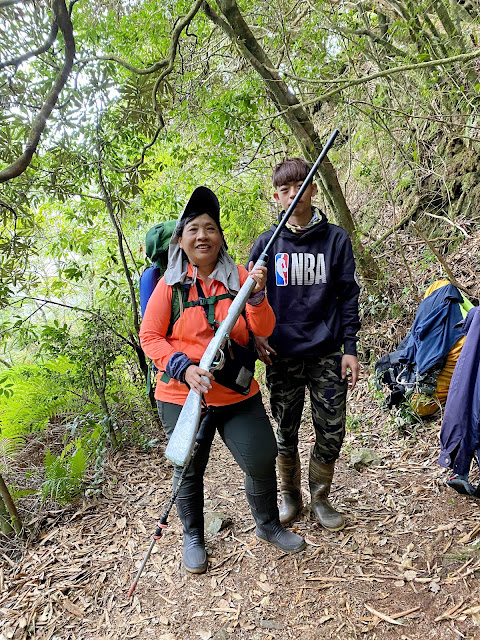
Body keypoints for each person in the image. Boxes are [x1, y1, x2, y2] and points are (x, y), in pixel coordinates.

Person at [140, 186, 306, 574]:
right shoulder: (169, 285)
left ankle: (267, 525)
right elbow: (150, 337)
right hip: (180, 394)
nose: (203, 236)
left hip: (235, 393)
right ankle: (193, 535)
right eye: (194, 228)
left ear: (220, 237)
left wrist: (257, 296)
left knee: (263, 455)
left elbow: (263, 327)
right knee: (188, 467)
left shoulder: (241, 278)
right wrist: (182, 366)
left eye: (210, 228)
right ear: (181, 239)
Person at [248, 158, 361, 532]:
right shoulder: (266, 244)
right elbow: (250, 299)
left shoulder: (336, 240)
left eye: (300, 185)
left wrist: (350, 348)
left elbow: (348, 296)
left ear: (314, 188)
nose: (292, 194)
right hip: (282, 354)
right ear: (276, 197)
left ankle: (321, 496)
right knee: (285, 429)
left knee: (332, 429)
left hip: (327, 350)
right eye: (284, 189)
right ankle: (290, 494)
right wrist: (258, 332)